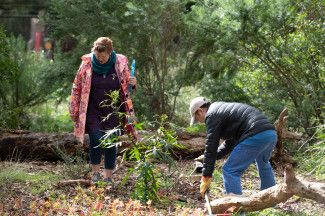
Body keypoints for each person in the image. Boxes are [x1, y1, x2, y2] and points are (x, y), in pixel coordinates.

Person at [69, 37, 138, 183]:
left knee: (111, 142)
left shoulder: (120, 62)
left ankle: (108, 177)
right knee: (95, 139)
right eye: (97, 56)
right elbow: (77, 86)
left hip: (113, 108)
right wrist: (74, 108)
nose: (99, 59)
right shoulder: (87, 63)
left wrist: (133, 82)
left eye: (103, 56)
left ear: (110, 52)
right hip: (93, 108)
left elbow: (128, 85)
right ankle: (95, 174)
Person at [189, 97, 277, 197]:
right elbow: (230, 143)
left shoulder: (211, 115)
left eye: (197, 118)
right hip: (270, 133)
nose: (199, 121)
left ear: (200, 111)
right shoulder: (221, 110)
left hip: (255, 134)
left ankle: (236, 209)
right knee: (264, 164)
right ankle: (270, 200)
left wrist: (206, 176)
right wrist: (209, 157)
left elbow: (211, 146)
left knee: (230, 170)